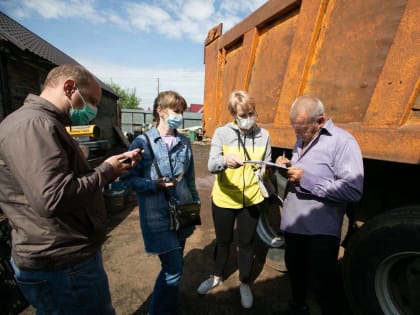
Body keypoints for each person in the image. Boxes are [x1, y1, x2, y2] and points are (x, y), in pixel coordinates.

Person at [0, 64, 142, 315]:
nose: (94, 111)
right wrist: (105, 172)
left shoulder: (39, 123)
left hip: (61, 259)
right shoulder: (35, 125)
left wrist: (102, 166)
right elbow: (52, 198)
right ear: (69, 88)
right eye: (92, 101)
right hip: (61, 264)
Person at [274, 95, 364, 315]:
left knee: (322, 284)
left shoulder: (344, 142)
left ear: (320, 121)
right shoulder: (303, 135)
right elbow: (304, 168)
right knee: (296, 274)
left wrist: (307, 180)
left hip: (320, 231)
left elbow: (353, 190)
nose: (297, 135)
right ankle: (298, 306)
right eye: (295, 129)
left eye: (302, 130)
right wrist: (286, 166)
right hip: (294, 224)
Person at [120, 90, 200, 315]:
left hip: (182, 213)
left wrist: (195, 202)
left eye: (182, 111)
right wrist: (153, 185)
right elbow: (127, 178)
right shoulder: (142, 142)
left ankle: (167, 305)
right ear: (160, 111)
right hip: (157, 217)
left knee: (175, 265)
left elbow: (190, 177)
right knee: (173, 269)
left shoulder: (184, 142)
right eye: (176, 111)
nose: (180, 116)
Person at [196, 90, 272, 309]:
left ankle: (244, 283)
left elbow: (266, 164)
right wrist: (225, 160)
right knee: (223, 240)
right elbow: (211, 165)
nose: (248, 117)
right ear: (233, 114)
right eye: (242, 114)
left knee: (246, 244)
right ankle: (216, 276)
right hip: (224, 199)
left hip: (252, 198)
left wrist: (267, 170)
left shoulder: (264, 135)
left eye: (251, 112)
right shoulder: (222, 133)